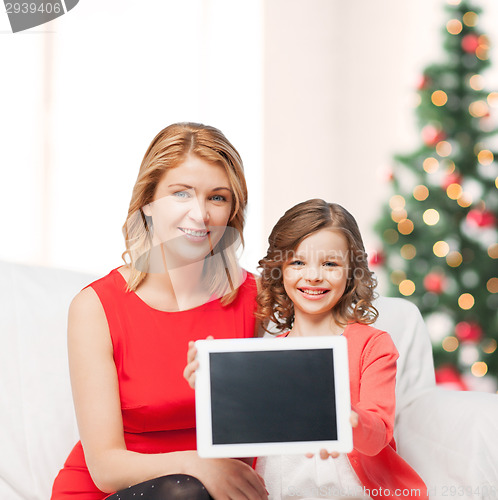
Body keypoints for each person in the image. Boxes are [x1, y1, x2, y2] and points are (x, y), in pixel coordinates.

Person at [51, 122, 269, 500]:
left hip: (216, 492)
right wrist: (197, 466)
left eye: (217, 198)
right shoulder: (96, 308)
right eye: (181, 193)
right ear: (148, 202)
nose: (200, 214)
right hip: (117, 492)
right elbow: (105, 467)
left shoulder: (255, 299)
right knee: (185, 493)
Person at [185, 199, 428, 500]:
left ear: (351, 271)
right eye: (298, 262)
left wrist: (349, 417)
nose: (313, 276)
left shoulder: (372, 345)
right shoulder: (266, 354)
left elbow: (378, 435)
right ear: (280, 269)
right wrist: (214, 387)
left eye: (330, 263)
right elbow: (244, 431)